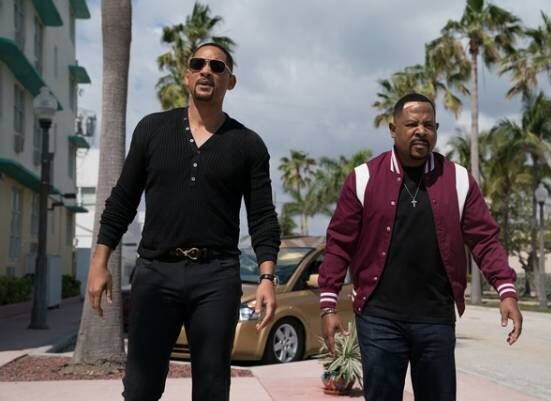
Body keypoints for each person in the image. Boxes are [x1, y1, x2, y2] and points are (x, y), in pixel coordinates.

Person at [86, 42, 281, 401]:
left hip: (216, 277)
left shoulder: (248, 145)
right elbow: (123, 200)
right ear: (187, 75)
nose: (207, 70)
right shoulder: (152, 130)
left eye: (217, 67)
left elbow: (263, 217)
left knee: (212, 389)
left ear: (230, 81)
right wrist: (99, 263)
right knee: (140, 389)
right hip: (155, 272)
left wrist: (267, 278)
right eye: (198, 63)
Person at [318, 93, 523, 401]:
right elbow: (339, 243)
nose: (420, 131)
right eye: (411, 124)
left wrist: (506, 290)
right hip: (379, 318)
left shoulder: (458, 179)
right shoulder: (363, 178)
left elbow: (484, 239)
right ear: (393, 129)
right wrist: (328, 305)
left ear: (436, 129)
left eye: (428, 125)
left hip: (436, 319)